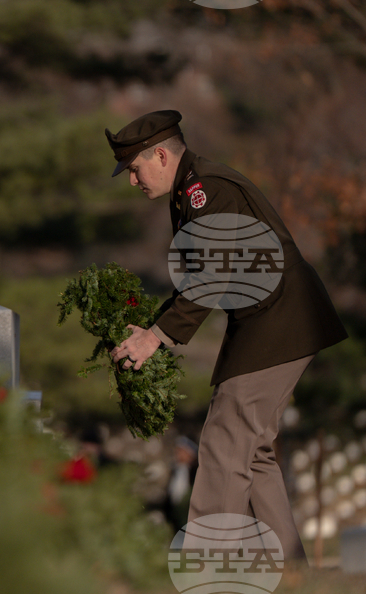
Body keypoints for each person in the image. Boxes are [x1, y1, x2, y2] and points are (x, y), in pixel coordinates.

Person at [103, 110, 347, 564]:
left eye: (134, 169)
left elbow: (213, 274)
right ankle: (288, 571)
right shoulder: (192, 189)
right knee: (250, 452)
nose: (132, 181)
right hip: (270, 320)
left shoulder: (205, 189)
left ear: (161, 156)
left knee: (224, 440)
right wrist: (154, 328)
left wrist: (156, 337)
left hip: (278, 319)